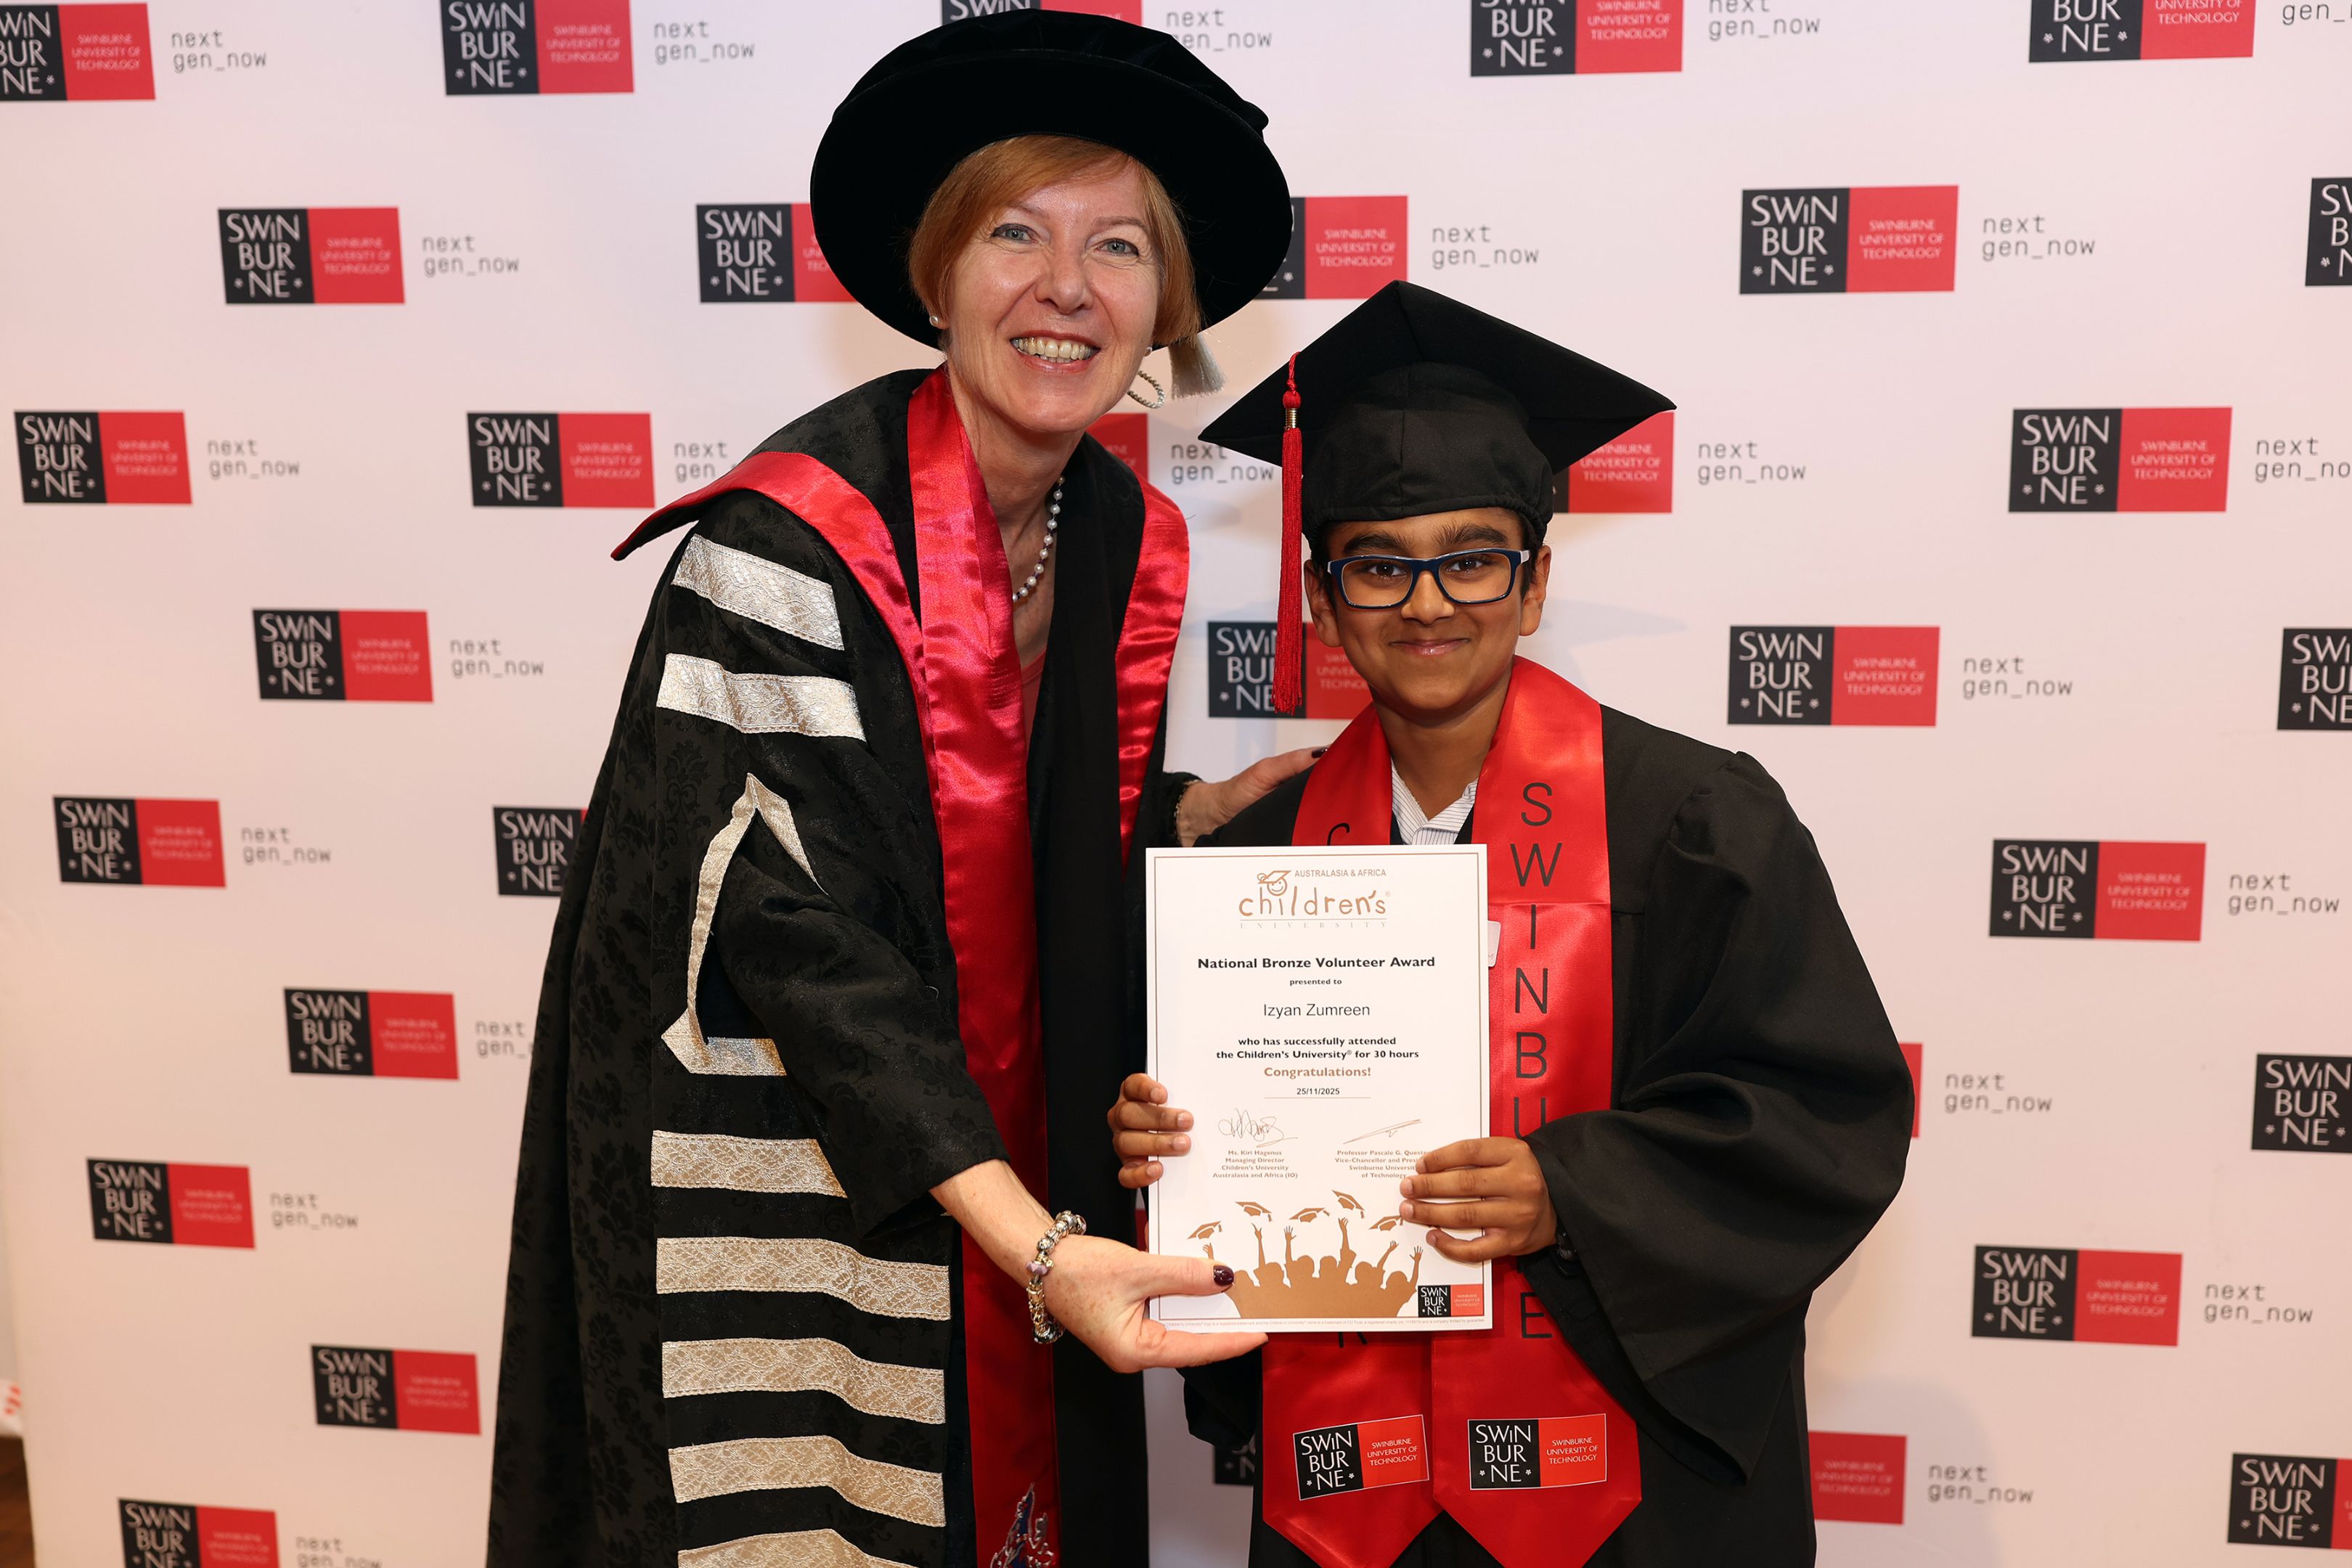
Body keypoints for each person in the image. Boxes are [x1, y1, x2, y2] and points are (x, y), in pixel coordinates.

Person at [489, 15, 1307, 1567]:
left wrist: (1200, 816)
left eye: (1120, 246)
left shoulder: (1119, 529)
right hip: (781, 1139)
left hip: (997, 1163)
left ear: (1166, 308)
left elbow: (1009, 850)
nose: (1069, 287)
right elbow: (813, 942)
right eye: (1017, 232)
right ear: (935, 278)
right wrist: (1040, 1248)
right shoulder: (784, 547)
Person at [1111, 282, 1914, 1568]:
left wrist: (1573, 1190)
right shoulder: (1253, 862)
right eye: (1378, 565)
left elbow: (1826, 1116)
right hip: (1352, 1499)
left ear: (1533, 583)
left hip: (1638, 1492)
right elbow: (1222, 1199)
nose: (1427, 605)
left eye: (1471, 558)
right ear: (1322, 604)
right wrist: (1164, 1147)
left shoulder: (1696, 821)